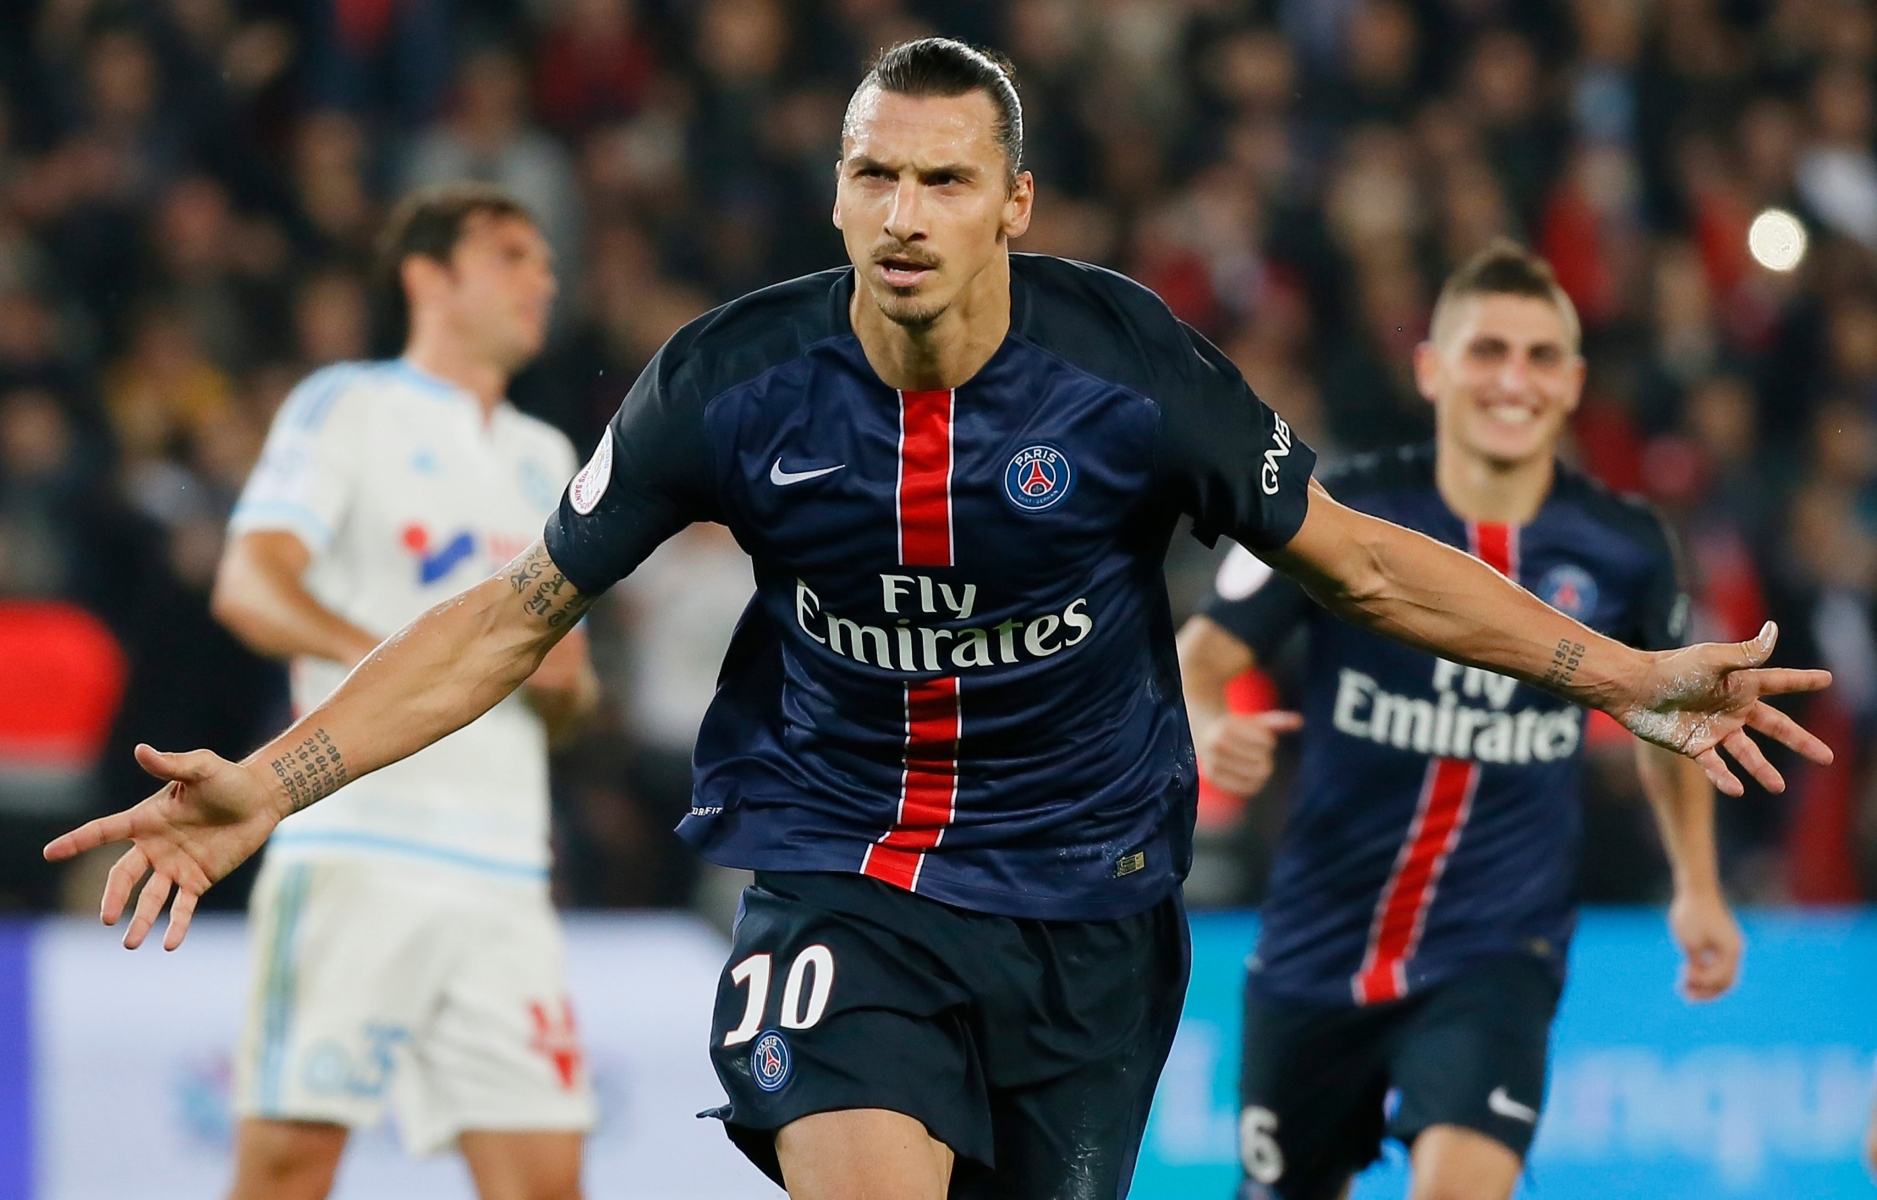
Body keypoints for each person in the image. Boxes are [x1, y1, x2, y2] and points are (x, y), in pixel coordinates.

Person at [47, 39, 1832, 1200]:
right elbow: (519, 612)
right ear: (835, 187)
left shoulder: (1128, 372)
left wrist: (1626, 681)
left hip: (1084, 910)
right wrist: (277, 781)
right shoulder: (729, 384)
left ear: (1013, 205)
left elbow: (1359, 564)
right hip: (846, 876)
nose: (903, 215)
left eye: (945, 181)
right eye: (873, 176)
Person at [1178, 241, 1748, 1200]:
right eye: (1486, 351)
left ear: (1571, 384)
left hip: (1496, 955)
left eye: (1537, 358)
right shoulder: (1340, 510)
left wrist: (1697, 882)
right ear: (1431, 367)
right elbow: (1206, 650)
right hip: (1319, 944)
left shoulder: (1625, 548)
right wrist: (1199, 718)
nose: (1511, 380)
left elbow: (1667, 717)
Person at [204, 183, 600, 1200]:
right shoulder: (349, 405)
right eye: (512, 255)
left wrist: (560, 685)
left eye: (546, 262)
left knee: (546, 1181)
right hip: (358, 844)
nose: (541, 278)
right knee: (288, 1168)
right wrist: (400, 659)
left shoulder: (547, 457)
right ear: (429, 275)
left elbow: (572, 703)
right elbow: (248, 584)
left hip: (504, 866)